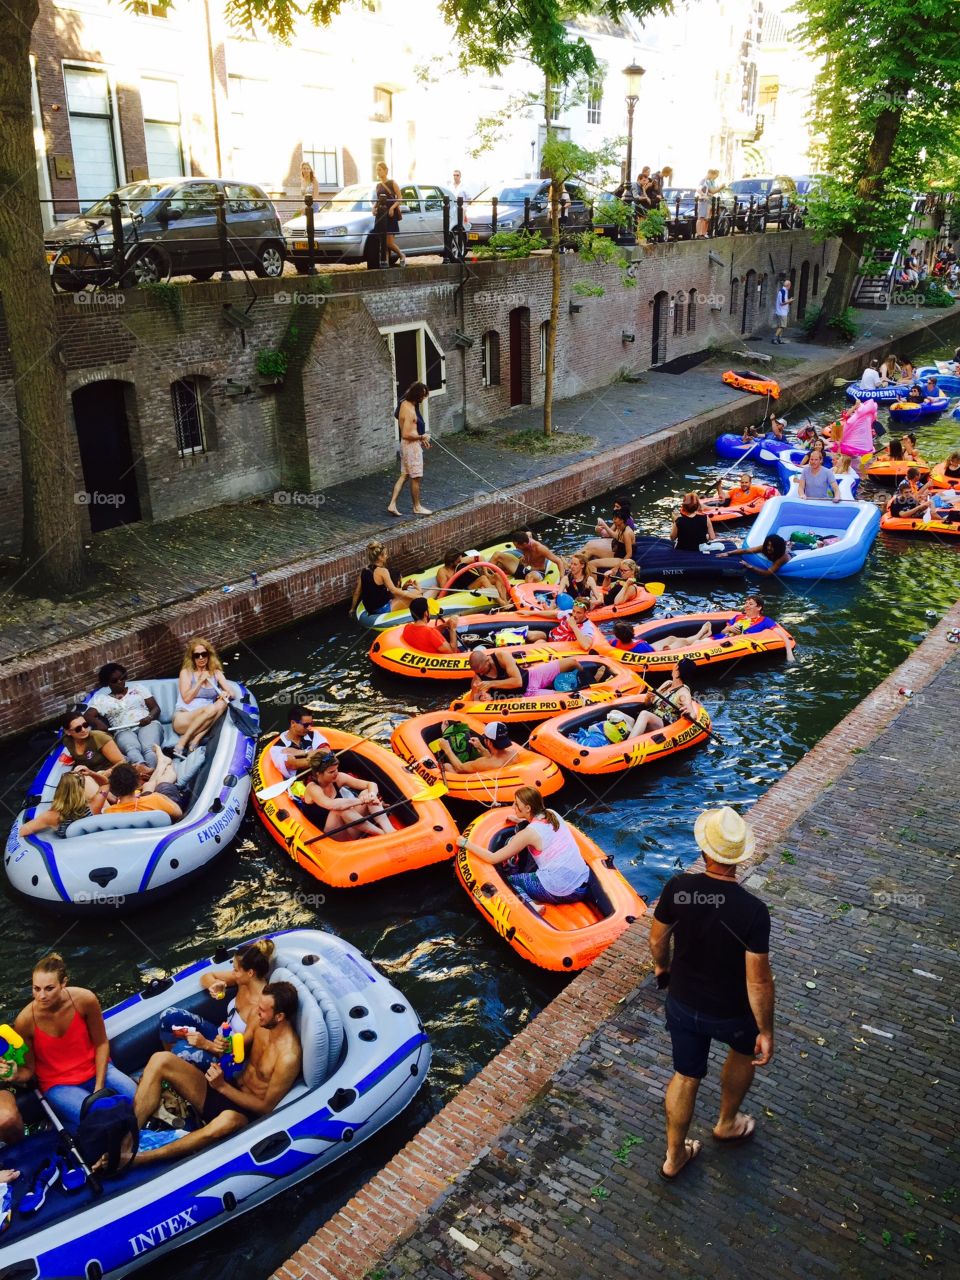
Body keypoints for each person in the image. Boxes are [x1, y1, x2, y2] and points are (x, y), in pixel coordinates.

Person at [648, 806, 774, 1179]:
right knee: (740, 1053)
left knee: (685, 1075)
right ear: (738, 858)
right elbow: (758, 981)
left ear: (705, 851)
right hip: (732, 1011)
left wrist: (663, 966)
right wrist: (765, 1031)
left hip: (684, 1003)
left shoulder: (679, 889)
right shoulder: (753, 911)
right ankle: (727, 1123)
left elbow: (658, 939)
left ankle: (674, 1157)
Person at [132, 983, 302, 1166]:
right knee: (160, 1059)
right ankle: (128, 1138)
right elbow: (238, 1048)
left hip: (243, 1112)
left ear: (280, 1016)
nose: (256, 1011)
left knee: (226, 1122)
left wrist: (222, 1086)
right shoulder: (262, 1024)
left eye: (262, 1010)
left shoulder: (288, 1057)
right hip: (228, 1082)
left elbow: (265, 1108)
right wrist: (219, 1045)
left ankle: (141, 1159)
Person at [5, 953, 137, 1130]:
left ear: (63, 983)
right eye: (36, 989)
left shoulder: (85, 999)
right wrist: (15, 1075)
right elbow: (29, 1070)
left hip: (97, 1070)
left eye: (49, 988)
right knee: (99, 1118)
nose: (41, 996)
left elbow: (101, 1044)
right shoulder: (25, 1021)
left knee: (138, 1098)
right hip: (58, 1085)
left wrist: (98, 1087)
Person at [457, 786, 589, 911]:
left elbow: (493, 858)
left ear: (528, 808)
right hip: (583, 883)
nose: (513, 807)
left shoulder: (529, 833)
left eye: (516, 804)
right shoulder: (551, 814)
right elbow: (540, 826)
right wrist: (519, 820)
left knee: (509, 881)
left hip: (564, 892)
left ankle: (532, 906)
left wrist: (466, 843)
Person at [159, 940, 276, 1071]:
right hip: (220, 1034)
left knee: (180, 1050)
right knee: (168, 1016)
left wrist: (205, 1044)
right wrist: (214, 985)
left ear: (250, 973)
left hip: (230, 1059)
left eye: (236, 970)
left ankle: (172, 1072)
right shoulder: (243, 981)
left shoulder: (260, 1008)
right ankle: (171, 1068)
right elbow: (206, 976)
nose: (233, 973)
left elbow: (239, 1049)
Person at [297, 750, 393, 839]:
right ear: (318, 774)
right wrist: (362, 800)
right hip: (332, 834)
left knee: (366, 792)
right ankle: (382, 834)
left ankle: (390, 831)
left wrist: (372, 795)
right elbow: (331, 805)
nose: (336, 773)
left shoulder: (339, 777)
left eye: (336, 769)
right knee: (339, 809)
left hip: (351, 827)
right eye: (331, 772)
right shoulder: (313, 788)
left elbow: (371, 784)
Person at [85, 663, 163, 768]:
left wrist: (149, 717)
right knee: (132, 750)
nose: (120, 682)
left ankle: (150, 773)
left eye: (122, 678)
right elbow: (87, 715)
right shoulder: (101, 699)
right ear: (107, 683)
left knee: (149, 748)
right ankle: (145, 773)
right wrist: (98, 723)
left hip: (147, 724)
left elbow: (156, 708)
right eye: (114, 680)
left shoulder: (138, 688)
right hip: (122, 730)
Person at [172, 637, 233, 760]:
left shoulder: (215, 672)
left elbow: (231, 692)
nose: (201, 658)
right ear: (192, 657)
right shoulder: (186, 672)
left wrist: (226, 693)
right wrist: (200, 681)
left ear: (209, 655)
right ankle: (184, 741)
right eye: (197, 655)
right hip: (184, 718)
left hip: (206, 718)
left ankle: (196, 739)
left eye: (204, 654)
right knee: (211, 708)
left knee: (222, 703)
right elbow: (187, 698)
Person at [57, 708, 130, 801]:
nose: (83, 730)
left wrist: (103, 774)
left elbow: (122, 761)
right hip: (90, 777)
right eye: (78, 729)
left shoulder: (99, 737)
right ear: (68, 732)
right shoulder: (67, 741)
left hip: (111, 775)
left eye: (85, 725)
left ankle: (111, 800)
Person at [467, 647, 582, 701]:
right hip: (525, 695)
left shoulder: (501, 656)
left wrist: (491, 684)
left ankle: (589, 679)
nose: (481, 673)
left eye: (482, 670)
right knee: (567, 696)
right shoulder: (478, 678)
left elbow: (518, 682)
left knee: (572, 662)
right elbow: (473, 701)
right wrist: (484, 697)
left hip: (531, 677)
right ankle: (585, 693)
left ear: (487, 660)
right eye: (478, 672)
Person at [387, 381, 432, 516]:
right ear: (417, 395)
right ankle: (417, 507)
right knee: (416, 477)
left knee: (405, 475)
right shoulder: (411, 411)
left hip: (405, 446)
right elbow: (406, 434)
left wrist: (420, 437)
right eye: (422, 396)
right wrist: (422, 436)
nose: (423, 399)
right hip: (411, 447)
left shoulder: (403, 404)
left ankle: (392, 504)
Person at [351, 540, 423, 617]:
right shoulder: (383, 571)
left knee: (411, 594)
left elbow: (357, 592)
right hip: (382, 609)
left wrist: (352, 609)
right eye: (385, 554)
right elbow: (393, 590)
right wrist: (416, 596)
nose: (387, 556)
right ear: (380, 557)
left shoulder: (364, 571)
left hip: (370, 608)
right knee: (417, 594)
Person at [18, 771, 99, 839]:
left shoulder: (51, 816)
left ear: (59, 789)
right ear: (81, 790)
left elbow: (22, 832)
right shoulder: (92, 805)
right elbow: (105, 785)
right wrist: (92, 773)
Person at [105, 754, 184, 821]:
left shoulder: (109, 813)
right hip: (163, 801)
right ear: (137, 783)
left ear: (112, 788)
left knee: (149, 785)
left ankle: (162, 763)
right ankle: (166, 764)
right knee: (162, 783)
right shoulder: (156, 800)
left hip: (139, 801)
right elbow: (179, 813)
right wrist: (161, 796)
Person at [434, 720, 520, 774]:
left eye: (485, 738)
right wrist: (481, 748)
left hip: (475, 785)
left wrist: (447, 749)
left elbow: (460, 768)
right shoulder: (514, 754)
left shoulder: (484, 763)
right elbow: (495, 758)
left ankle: (445, 732)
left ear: (489, 742)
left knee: (447, 766)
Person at [269, 705, 330, 780]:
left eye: (311, 724)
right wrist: (311, 754)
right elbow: (292, 764)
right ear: (293, 723)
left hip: (322, 775)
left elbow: (327, 751)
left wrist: (302, 752)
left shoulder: (314, 735)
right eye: (306, 725)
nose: (309, 728)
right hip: (301, 783)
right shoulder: (277, 748)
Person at [436, 549, 510, 605]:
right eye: (458, 561)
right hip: (460, 590)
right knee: (483, 579)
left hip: (472, 582)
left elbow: (480, 558)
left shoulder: (461, 561)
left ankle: (505, 600)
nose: (460, 561)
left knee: (496, 575)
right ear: (452, 562)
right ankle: (501, 602)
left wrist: (486, 572)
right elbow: (444, 592)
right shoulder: (442, 572)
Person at [491, 530, 564, 581]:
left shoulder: (540, 548)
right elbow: (528, 533)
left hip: (536, 572)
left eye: (517, 546)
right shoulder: (526, 538)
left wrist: (562, 578)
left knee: (529, 577)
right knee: (497, 555)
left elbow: (558, 561)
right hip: (522, 567)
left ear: (524, 544)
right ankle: (486, 575)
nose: (516, 548)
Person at [525, 596, 597, 647]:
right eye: (574, 611)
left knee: (540, 642)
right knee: (536, 634)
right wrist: (531, 613)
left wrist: (574, 626)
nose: (574, 614)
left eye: (579, 613)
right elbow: (554, 614)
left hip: (558, 648)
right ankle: (515, 635)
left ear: (586, 613)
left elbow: (586, 645)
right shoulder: (569, 613)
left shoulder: (587, 627)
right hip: (550, 637)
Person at [373, 160, 404, 268]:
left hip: (390, 214)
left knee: (389, 242)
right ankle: (384, 262)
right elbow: (378, 200)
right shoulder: (377, 186)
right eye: (377, 170)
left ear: (386, 171)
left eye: (380, 170)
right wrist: (374, 208)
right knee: (383, 241)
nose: (378, 172)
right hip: (381, 215)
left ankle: (402, 255)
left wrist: (392, 207)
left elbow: (400, 198)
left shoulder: (392, 183)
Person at [718, 533, 791, 576]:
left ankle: (790, 544)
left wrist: (750, 567)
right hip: (782, 548)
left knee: (789, 548)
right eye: (768, 545)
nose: (768, 548)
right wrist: (728, 553)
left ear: (776, 547)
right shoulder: (764, 548)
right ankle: (788, 543)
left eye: (772, 546)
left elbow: (768, 573)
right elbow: (745, 551)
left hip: (790, 554)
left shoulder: (782, 557)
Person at [695, 168, 719, 238]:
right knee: (701, 218)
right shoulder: (703, 180)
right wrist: (704, 195)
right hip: (703, 201)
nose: (713, 177)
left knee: (705, 219)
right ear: (710, 174)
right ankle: (699, 234)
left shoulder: (707, 181)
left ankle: (703, 233)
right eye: (713, 175)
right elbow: (698, 189)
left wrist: (708, 194)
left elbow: (706, 190)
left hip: (707, 201)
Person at [772, 276, 791, 344]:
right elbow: (782, 302)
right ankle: (774, 338)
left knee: (781, 326)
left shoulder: (784, 291)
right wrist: (790, 301)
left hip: (782, 311)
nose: (790, 286)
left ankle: (779, 339)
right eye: (790, 285)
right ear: (788, 285)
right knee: (782, 326)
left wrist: (788, 300)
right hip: (781, 312)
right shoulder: (783, 292)